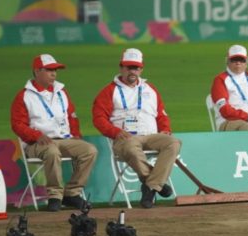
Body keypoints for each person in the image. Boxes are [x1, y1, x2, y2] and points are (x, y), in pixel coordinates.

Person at [92, 48, 181, 208]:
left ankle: (150, 185)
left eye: (136, 68)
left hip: (151, 135)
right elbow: (99, 119)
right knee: (132, 147)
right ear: (121, 68)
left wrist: (165, 129)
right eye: (129, 67)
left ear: (141, 69)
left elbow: (161, 113)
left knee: (173, 143)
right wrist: (115, 132)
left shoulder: (150, 89)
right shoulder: (109, 91)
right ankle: (155, 185)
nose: (132, 71)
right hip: (125, 137)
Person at [10, 54, 98, 211]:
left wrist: (76, 134)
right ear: (37, 71)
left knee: (90, 150)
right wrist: (36, 135)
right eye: (49, 70)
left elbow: (71, 116)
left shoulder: (61, 91)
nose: (54, 74)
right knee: (52, 151)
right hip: (36, 143)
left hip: (64, 139)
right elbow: (17, 125)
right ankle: (55, 196)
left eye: (55, 70)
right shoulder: (24, 96)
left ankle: (72, 193)